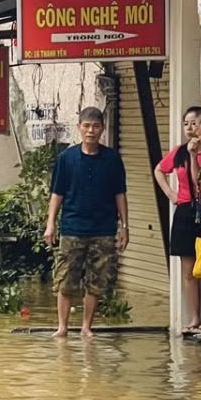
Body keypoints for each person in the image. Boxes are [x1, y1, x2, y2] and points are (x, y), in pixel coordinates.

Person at [44, 106, 128, 339]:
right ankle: (62, 327)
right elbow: (57, 193)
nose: (91, 131)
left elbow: (120, 194)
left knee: (98, 280)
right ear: (79, 128)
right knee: (65, 279)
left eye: (96, 126)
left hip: (103, 229)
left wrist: (124, 227)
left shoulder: (112, 159)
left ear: (102, 129)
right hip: (72, 227)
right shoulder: (66, 158)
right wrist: (50, 224)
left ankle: (86, 327)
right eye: (86, 126)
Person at [155, 106, 201, 335]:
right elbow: (159, 170)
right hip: (185, 210)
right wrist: (170, 194)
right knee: (188, 270)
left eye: (195, 123)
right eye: (186, 123)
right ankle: (194, 318)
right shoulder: (179, 152)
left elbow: (199, 183)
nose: (190, 128)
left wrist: (194, 154)